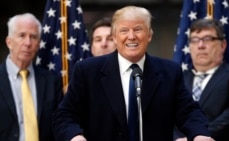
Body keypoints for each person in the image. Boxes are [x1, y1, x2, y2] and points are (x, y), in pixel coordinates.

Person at [53, 6, 215, 141]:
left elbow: (189, 112)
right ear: (115, 37)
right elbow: (65, 115)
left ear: (149, 35)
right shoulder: (87, 71)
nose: (131, 36)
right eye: (124, 31)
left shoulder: (169, 72)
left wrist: (199, 135)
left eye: (138, 29)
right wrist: (75, 137)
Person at [174, 19, 229, 141]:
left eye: (208, 39)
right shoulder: (177, 78)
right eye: (194, 40)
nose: (200, 46)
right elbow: (165, 115)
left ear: (223, 45)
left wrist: (197, 136)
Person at [0, 13, 63, 141]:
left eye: (33, 37)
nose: (28, 43)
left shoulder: (51, 81)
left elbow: (59, 122)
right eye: (22, 35)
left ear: (38, 44)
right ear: (9, 42)